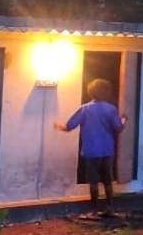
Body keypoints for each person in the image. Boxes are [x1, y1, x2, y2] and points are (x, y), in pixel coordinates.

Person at [55, 79, 126, 218]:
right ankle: (110, 209)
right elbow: (118, 128)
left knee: (93, 182)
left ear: (91, 92)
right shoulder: (111, 109)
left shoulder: (85, 108)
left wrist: (58, 126)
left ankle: (94, 211)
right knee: (107, 180)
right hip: (107, 150)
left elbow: (69, 126)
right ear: (107, 92)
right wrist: (123, 119)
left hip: (91, 150)